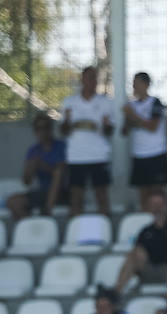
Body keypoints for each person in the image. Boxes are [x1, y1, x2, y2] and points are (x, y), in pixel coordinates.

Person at [59, 66, 115, 217]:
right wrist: (68, 119)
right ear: (82, 80)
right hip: (77, 156)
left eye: (94, 78)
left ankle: (105, 231)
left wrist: (106, 125)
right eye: (89, 78)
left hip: (99, 155)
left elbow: (110, 132)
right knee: (76, 196)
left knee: (101, 195)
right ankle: (76, 233)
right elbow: (63, 131)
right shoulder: (69, 102)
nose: (92, 81)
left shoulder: (105, 102)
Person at [111, 189, 167, 295]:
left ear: (166, 205)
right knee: (134, 254)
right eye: (154, 204)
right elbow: (138, 252)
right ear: (149, 207)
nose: (157, 207)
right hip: (150, 270)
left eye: (160, 204)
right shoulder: (146, 231)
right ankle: (116, 293)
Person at [122, 72, 167, 210]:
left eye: (137, 83)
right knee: (143, 194)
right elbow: (124, 131)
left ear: (146, 84)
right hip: (139, 154)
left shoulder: (155, 102)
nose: (134, 86)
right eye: (133, 83)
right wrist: (127, 118)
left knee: (157, 193)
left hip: (156, 152)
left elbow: (152, 127)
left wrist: (133, 115)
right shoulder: (131, 105)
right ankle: (146, 221)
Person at [7, 114, 67, 219]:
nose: (42, 131)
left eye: (45, 127)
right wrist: (31, 167)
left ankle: (47, 212)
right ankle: (33, 225)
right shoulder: (33, 150)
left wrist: (42, 165)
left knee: (58, 174)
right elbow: (26, 181)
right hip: (43, 192)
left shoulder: (61, 146)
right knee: (13, 202)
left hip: (63, 193)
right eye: (38, 128)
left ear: (50, 129)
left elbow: (61, 171)